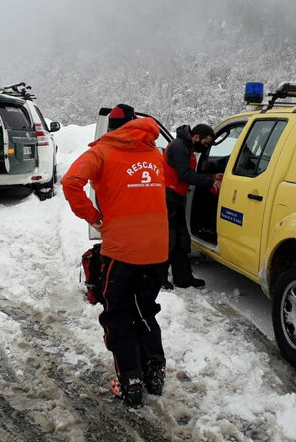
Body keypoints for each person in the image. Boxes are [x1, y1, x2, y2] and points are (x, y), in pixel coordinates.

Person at [61, 104, 169, 408]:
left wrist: (94, 217)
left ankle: (130, 380)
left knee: (118, 315)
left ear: (110, 128)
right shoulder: (154, 153)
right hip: (158, 249)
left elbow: (70, 182)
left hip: (122, 251)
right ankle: (154, 372)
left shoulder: (101, 152)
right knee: (145, 310)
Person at [163, 123, 218, 289]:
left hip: (176, 198)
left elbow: (188, 172)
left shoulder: (187, 146)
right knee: (170, 241)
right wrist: (210, 182)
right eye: (205, 143)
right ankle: (159, 278)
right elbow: (184, 174)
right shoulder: (180, 147)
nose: (205, 147)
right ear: (196, 137)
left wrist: (212, 176)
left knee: (181, 240)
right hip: (169, 198)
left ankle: (183, 278)